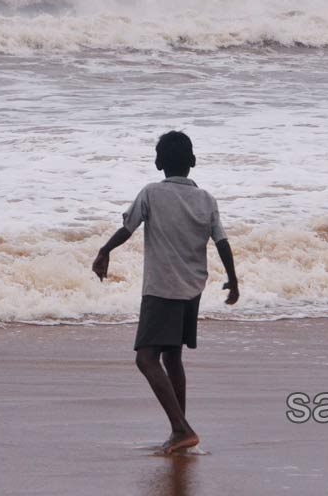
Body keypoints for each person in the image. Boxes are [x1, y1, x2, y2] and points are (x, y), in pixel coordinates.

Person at [92, 130, 239, 455]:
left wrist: (104, 251)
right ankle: (180, 431)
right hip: (192, 289)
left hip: (162, 289)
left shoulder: (151, 193)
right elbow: (222, 242)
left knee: (146, 359)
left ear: (159, 163)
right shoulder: (206, 199)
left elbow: (127, 228)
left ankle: (181, 429)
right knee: (172, 358)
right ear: (193, 162)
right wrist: (234, 280)